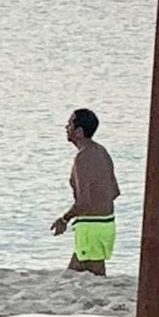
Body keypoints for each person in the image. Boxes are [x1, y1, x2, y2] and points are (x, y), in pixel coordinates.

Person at [51, 107, 120, 274]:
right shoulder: (102, 151)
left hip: (91, 226)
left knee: (79, 276)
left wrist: (64, 219)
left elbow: (83, 203)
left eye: (69, 124)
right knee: (87, 276)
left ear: (79, 132)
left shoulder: (82, 158)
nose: (66, 128)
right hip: (106, 224)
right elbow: (114, 191)